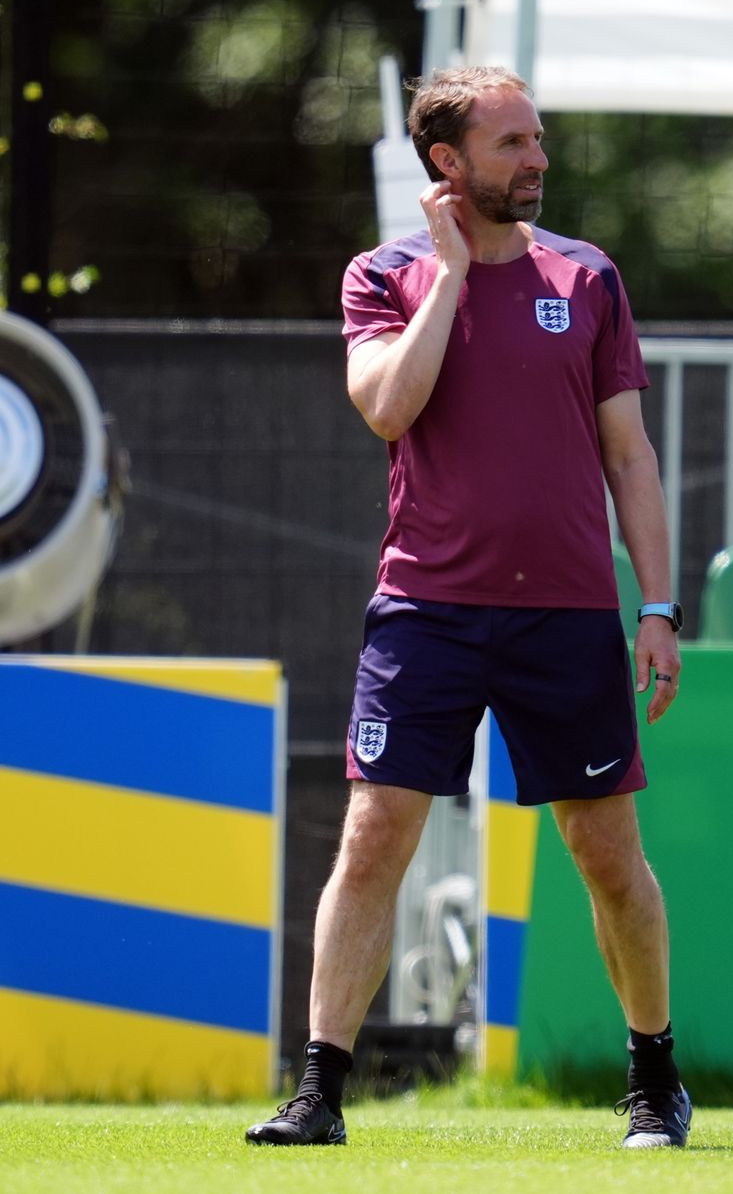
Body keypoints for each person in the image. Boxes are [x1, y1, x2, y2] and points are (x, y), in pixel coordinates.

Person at [246, 65, 690, 1151]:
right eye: (511, 143)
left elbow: (628, 457)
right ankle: (320, 1093)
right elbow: (388, 408)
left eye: (536, 138)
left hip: (568, 617)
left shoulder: (588, 276)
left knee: (606, 857)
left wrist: (658, 606)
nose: (537, 158)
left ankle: (654, 1076)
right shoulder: (382, 276)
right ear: (447, 162)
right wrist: (448, 275)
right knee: (373, 837)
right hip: (426, 611)